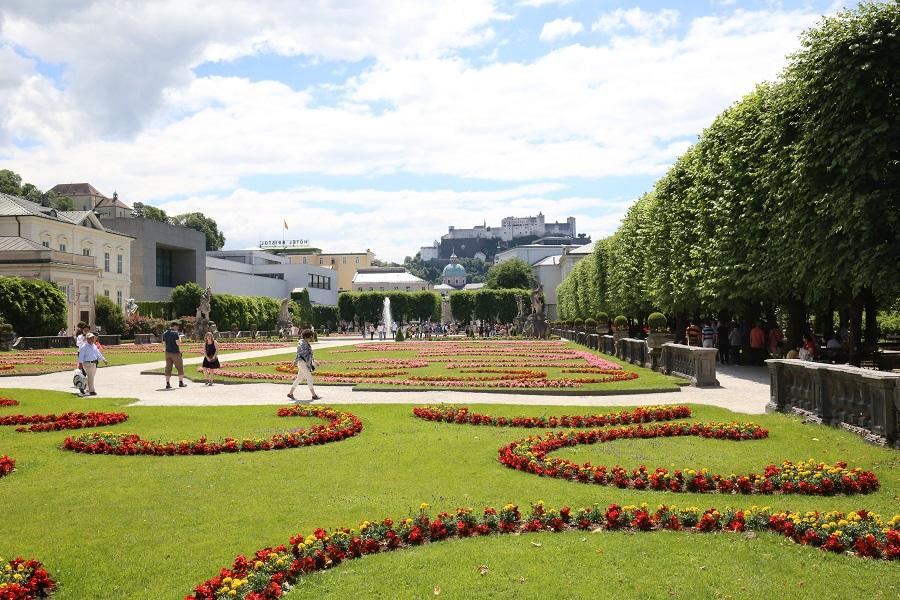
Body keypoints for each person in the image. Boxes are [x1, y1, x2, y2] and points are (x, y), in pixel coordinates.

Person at [287, 329, 320, 402]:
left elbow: (309, 354)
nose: (311, 338)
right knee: (309, 378)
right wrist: (294, 364)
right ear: (305, 337)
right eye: (310, 337)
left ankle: (290, 393)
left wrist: (314, 361)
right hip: (302, 363)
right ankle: (314, 395)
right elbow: (298, 355)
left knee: (299, 378)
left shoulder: (306, 343)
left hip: (304, 363)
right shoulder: (302, 344)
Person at [162, 321, 187, 389]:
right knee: (180, 367)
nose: (177, 328)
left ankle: (167, 383)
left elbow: (164, 344)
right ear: (174, 326)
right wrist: (180, 339)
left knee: (168, 368)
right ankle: (181, 382)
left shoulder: (164, 333)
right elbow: (178, 343)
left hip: (167, 353)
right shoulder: (175, 333)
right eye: (177, 327)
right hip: (175, 352)